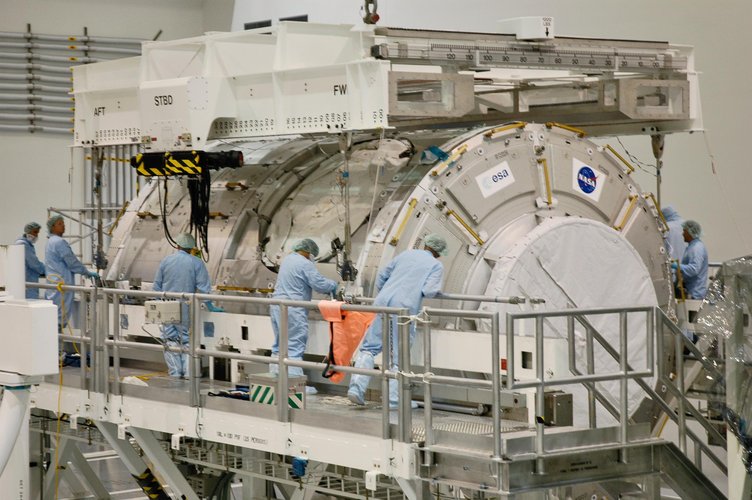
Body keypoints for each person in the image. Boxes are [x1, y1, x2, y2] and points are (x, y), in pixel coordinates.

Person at [348, 233, 447, 409]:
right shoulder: (435, 265)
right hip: (403, 309)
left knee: (370, 347)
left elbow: (381, 277)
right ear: (439, 252)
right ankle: (394, 400)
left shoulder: (405, 254)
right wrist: (440, 293)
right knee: (399, 355)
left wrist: (387, 293)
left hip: (383, 302)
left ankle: (356, 388)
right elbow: (430, 291)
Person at [270, 238, 338, 394]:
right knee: (294, 347)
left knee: (280, 346)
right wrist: (334, 285)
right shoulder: (304, 263)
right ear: (309, 253)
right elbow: (318, 283)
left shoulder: (287, 260)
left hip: (277, 306)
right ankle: (294, 387)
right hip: (293, 308)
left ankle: (277, 381)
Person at [153, 233, 223, 378]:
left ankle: (175, 372)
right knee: (187, 339)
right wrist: (210, 305)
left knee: (169, 339)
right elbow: (204, 288)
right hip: (186, 306)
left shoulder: (166, 260)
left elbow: (156, 286)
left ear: (177, 245)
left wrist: (157, 304)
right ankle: (189, 373)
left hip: (166, 305)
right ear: (191, 248)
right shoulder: (196, 262)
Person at [45, 215, 99, 327]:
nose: (63, 226)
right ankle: (58, 343)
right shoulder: (59, 242)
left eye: (63, 223)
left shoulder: (50, 242)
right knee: (59, 319)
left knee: (53, 318)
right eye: (60, 224)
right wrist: (86, 272)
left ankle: (57, 340)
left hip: (54, 284)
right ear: (53, 227)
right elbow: (72, 262)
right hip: (62, 284)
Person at [671, 220, 709, 300]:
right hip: (690, 291)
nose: (683, 234)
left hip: (694, 294)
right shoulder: (691, 246)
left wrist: (676, 266)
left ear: (690, 232)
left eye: (684, 231)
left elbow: (694, 269)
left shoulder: (696, 248)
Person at [15, 222, 46, 299]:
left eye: (37, 233)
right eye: (35, 232)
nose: (36, 235)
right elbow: (34, 264)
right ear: (28, 231)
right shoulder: (23, 244)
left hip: (28, 282)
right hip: (27, 284)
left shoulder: (25, 244)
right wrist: (47, 270)